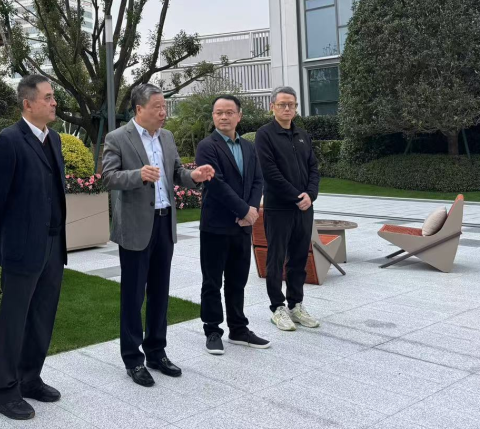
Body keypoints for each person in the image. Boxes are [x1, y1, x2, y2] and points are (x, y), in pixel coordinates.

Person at [102, 83, 215, 387]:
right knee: (133, 296)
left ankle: (156, 352)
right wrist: (138, 175)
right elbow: (108, 177)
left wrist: (194, 176)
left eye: (164, 106)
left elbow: (176, 172)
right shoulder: (118, 138)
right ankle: (133, 359)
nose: (163, 112)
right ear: (139, 109)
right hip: (136, 227)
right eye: (157, 107)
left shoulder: (166, 137)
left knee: (159, 293)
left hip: (164, 224)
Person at [0, 74, 67, 421]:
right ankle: (4, 391)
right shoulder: (9, 140)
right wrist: (13, 236)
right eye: (47, 97)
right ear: (28, 104)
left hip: (53, 244)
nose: (54, 102)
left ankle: (30, 378)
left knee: (42, 317)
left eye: (53, 97)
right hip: (22, 247)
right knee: (14, 321)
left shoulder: (54, 139)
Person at [195, 95, 270, 354]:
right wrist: (244, 210)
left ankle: (238, 329)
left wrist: (251, 210)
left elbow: (258, 180)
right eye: (219, 112)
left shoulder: (249, 147)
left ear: (239, 116)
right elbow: (216, 184)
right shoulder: (207, 146)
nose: (224, 117)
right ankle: (212, 330)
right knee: (212, 282)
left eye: (229, 112)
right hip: (216, 226)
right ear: (213, 116)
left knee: (237, 281)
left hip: (242, 227)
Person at [255, 86, 321, 332]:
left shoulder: (302, 135)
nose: (287, 108)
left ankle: (296, 305)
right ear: (272, 106)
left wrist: (310, 195)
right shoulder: (265, 135)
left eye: (291, 104)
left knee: (299, 258)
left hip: (304, 208)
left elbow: (313, 168)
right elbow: (270, 173)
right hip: (279, 208)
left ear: (296, 108)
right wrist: (296, 196)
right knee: (276, 258)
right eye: (282, 104)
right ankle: (277, 307)